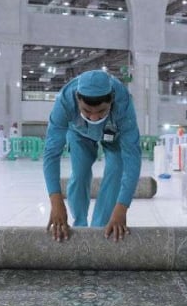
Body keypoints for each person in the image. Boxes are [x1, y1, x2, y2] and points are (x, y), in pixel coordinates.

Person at [43, 69, 141, 242]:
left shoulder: (123, 102)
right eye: (87, 111)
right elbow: (51, 152)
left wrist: (122, 208)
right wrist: (55, 201)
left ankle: (101, 228)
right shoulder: (65, 101)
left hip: (113, 136)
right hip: (79, 134)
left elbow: (132, 157)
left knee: (116, 169)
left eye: (102, 111)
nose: (94, 117)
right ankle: (80, 223)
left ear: (111, 99)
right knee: (80, 173)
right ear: (77, 99)